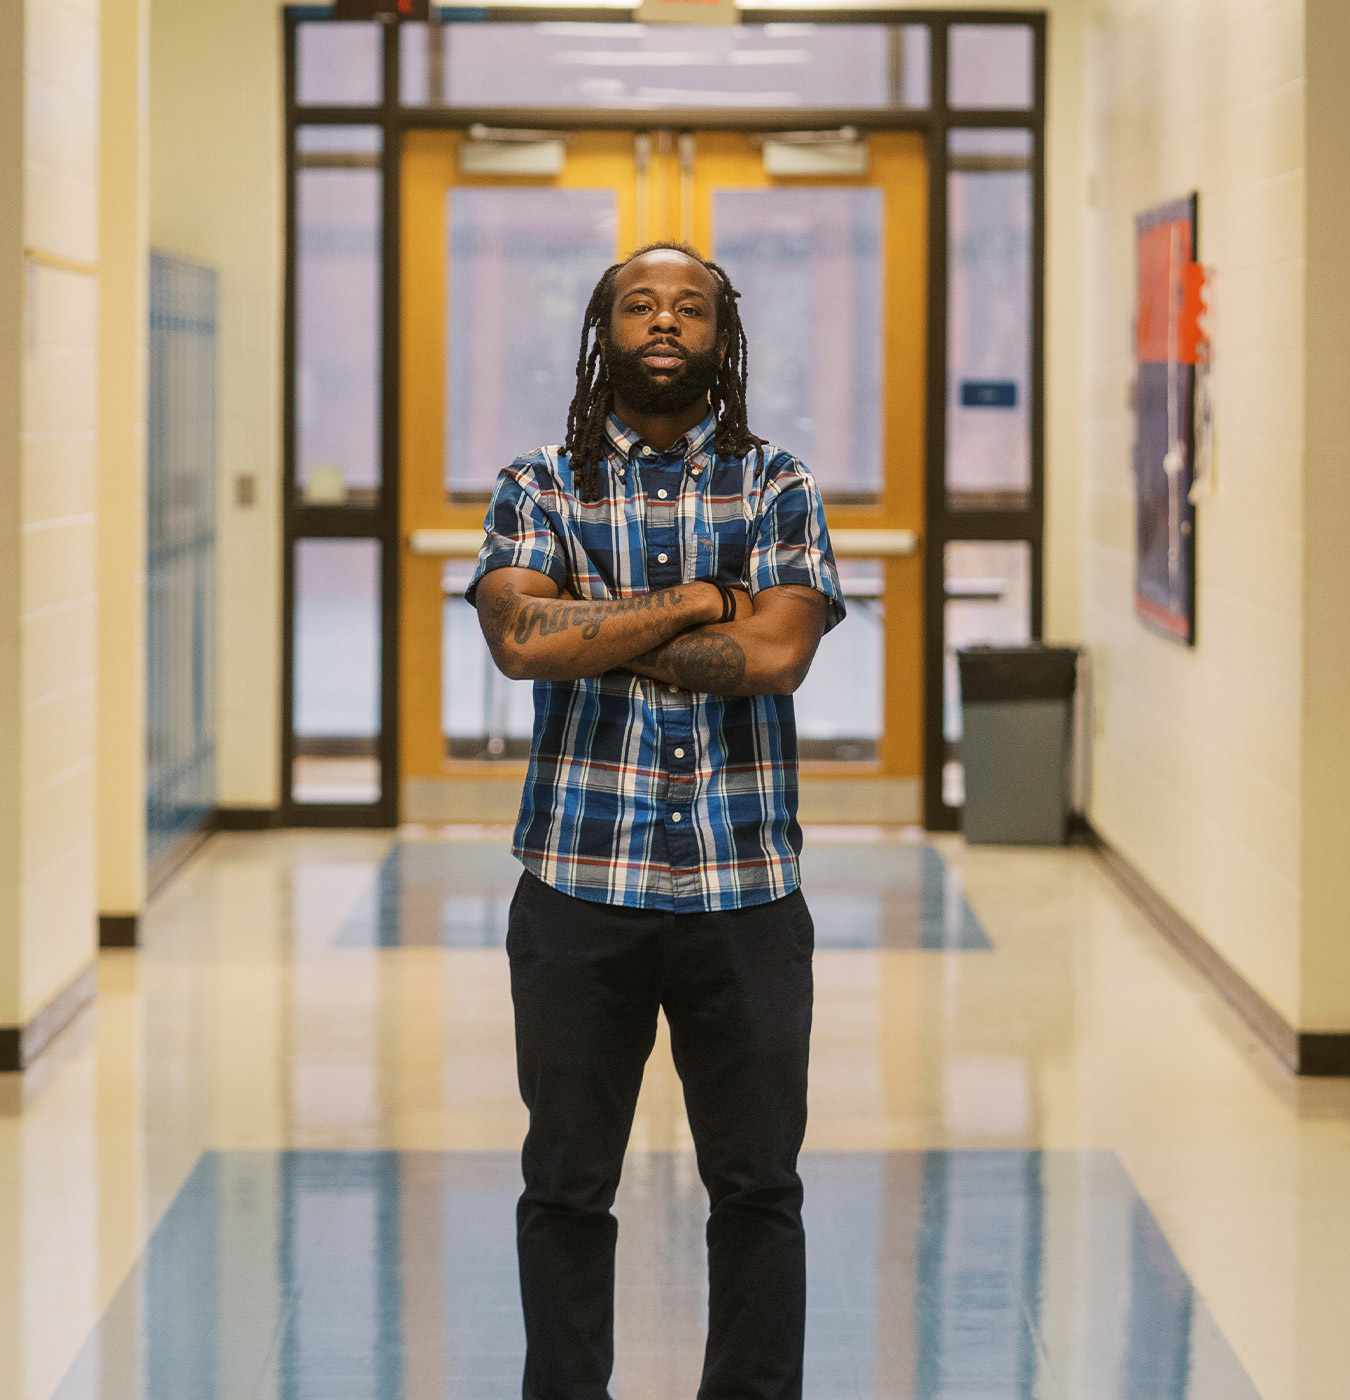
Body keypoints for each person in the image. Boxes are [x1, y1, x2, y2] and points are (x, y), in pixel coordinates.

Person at [467, 242, 844, 1400]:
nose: (664, 320)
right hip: (579, 889)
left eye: (689, 306)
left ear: (723, 336)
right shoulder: (538, 484)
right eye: (639, 304)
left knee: (758, 1187)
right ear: (604, 331)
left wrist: (596, 625)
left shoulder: (778, 485)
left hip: (745, 893)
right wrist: (698, 599)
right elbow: (519, 640)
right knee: (566, 1185)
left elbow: (774, 656)